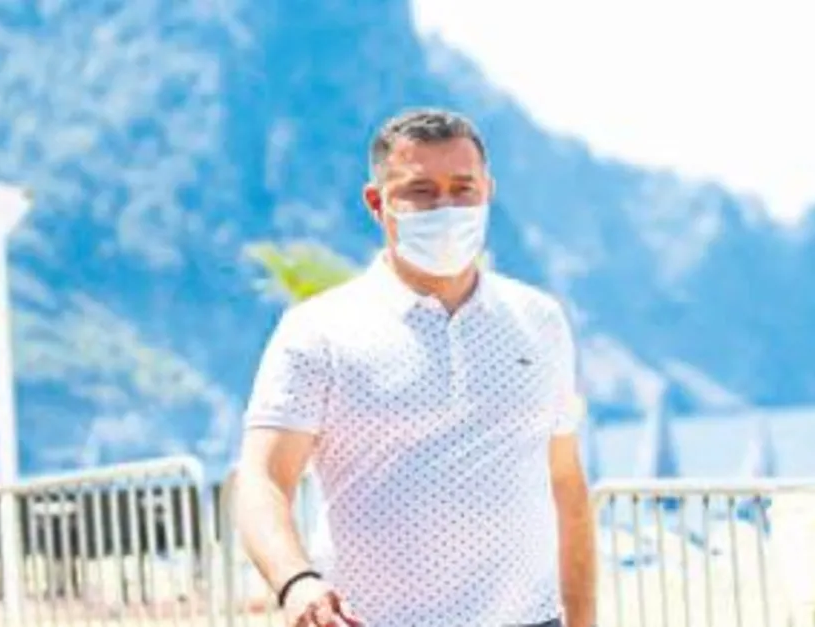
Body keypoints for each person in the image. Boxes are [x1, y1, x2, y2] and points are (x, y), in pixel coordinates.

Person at [234, 108, 597, 627]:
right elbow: (263, 479)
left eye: (462, 188)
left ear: (488, 191)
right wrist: (296, 581)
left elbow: (565, 483)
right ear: (377, 203)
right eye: (420, 192)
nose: (446, 208)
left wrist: (583, 620)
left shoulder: (541, 320)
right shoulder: (317, 330)